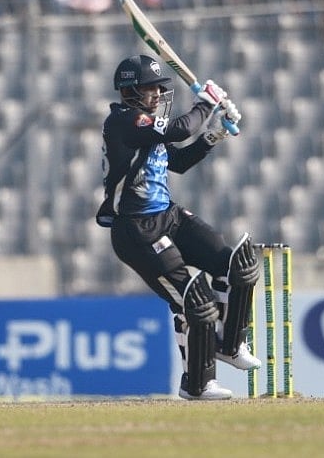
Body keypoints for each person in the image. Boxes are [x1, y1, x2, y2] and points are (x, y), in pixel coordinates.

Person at [96, 55, 259, 400]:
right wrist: (206, 104)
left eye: (159, 87)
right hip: (136, 231)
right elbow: (182, 128)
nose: (157, 94)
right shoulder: (124, 122)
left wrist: (214, 134)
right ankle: (198, 384)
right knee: (193, 301)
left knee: (233, 265)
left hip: (167, 214)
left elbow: (180, 161)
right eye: (150, 88)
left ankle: (230, 344)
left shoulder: (146, 127)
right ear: (130, 91)